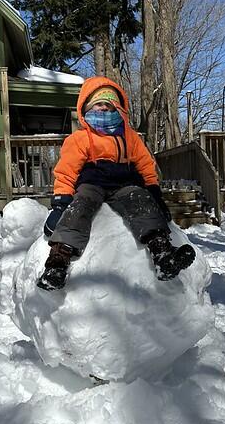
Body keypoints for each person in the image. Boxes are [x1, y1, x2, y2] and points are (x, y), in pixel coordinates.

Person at [37, 76, 196, 290]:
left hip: (123, 183)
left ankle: (163, 255)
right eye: (98, 104)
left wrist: (154, 191)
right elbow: (66, 171)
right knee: (80, 208)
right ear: (87, 108)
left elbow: (145, 164)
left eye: (109, 105)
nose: (103, 108)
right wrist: (60, 203)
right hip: (91, 183)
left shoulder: (129, 136)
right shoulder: (80, 138)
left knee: (140, 200)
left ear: (118, 108)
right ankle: (57, 264)